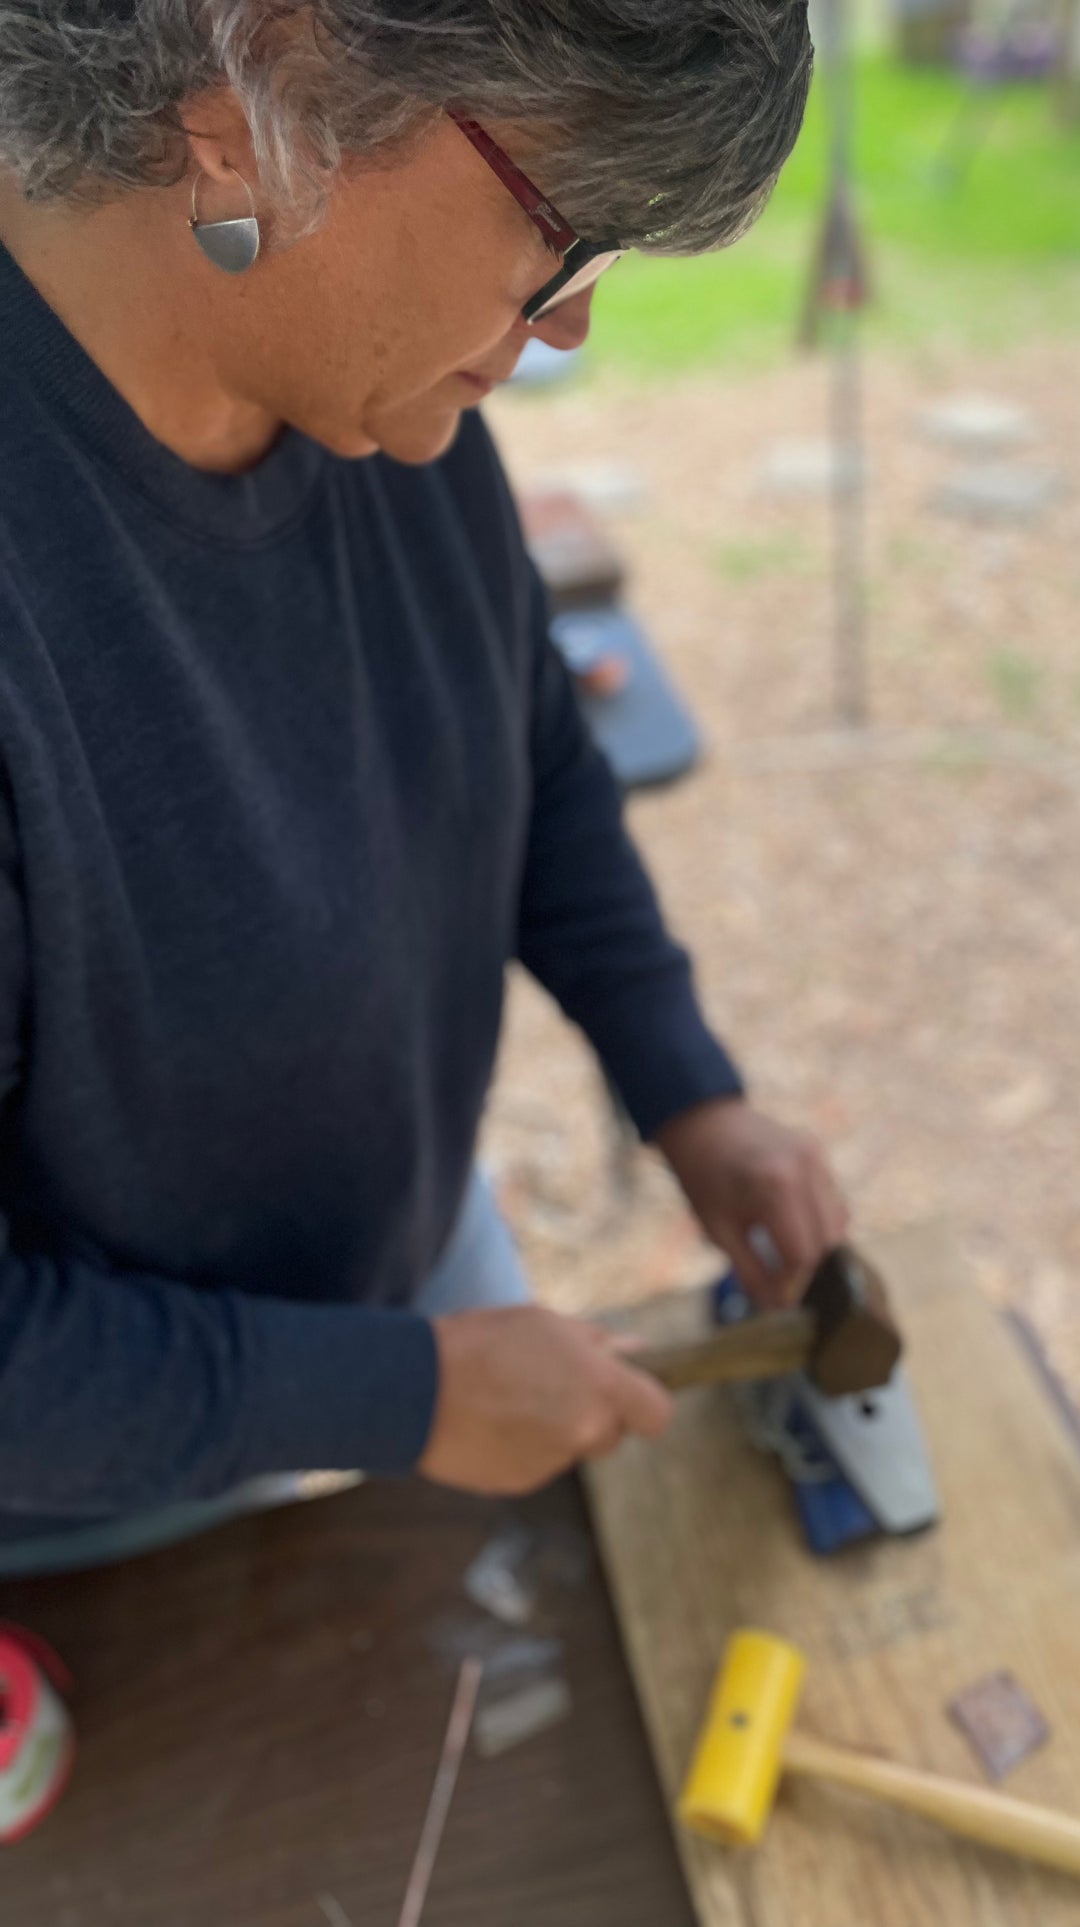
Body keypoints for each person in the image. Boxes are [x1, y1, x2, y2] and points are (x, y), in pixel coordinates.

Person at [0, 0, 844, 1575]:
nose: (573, 321)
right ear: (262, 80)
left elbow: (519, 751)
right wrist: (403, 1396)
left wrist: (688, 1088)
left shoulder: (370, 384)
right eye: (565, 228)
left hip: (401, 1307)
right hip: (93, 1522)